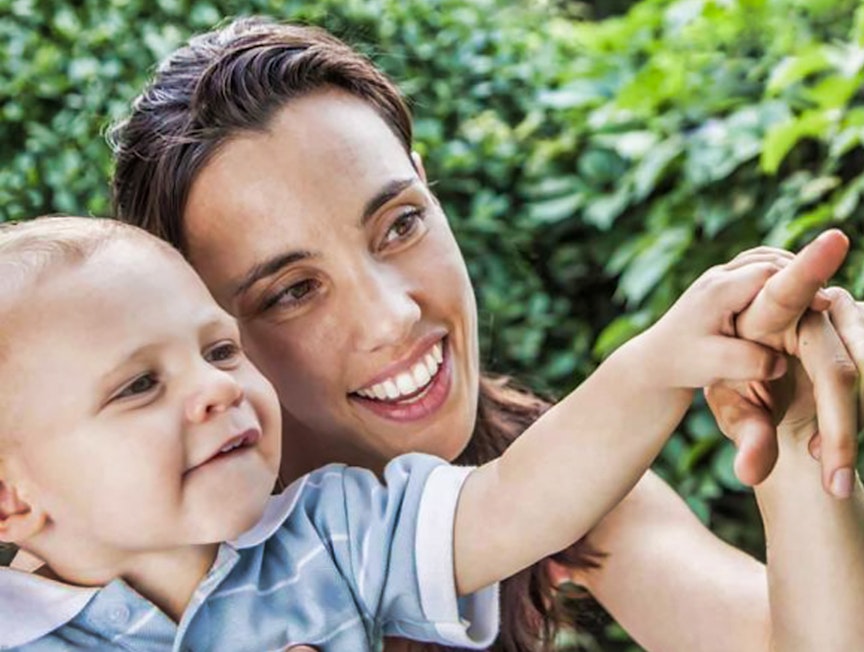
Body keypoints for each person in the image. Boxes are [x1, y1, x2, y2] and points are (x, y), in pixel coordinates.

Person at [108, 18, 864, 652]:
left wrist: (797, 435)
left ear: (430, 189)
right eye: (291, 291)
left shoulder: (559, 474)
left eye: (399, 225)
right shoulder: (136, 559)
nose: (392, 315)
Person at [0, 216, 816, 649]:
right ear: (12, 499)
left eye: (220, 350)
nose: (217, 387)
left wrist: (657, 362)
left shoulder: (337, 535)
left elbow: (519, 499)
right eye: (140, 385)